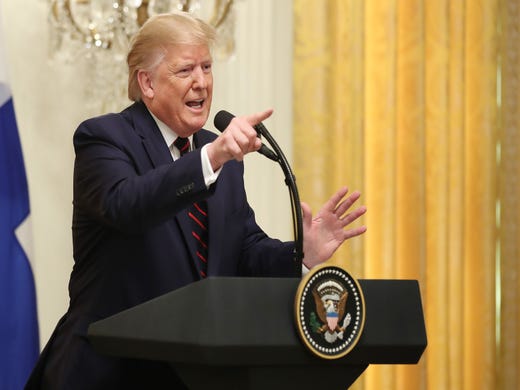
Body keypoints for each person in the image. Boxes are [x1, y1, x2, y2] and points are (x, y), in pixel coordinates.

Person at [25, 11, 367, 389]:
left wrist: (301, 254)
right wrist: (212, 159)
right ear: (147, 83)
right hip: (107, 373)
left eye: (206, 67)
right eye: (186, 70)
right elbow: (127, 205)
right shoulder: (105, 138)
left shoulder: (218, 157)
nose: (202, 83)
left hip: (192, 373)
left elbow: (242, 252)